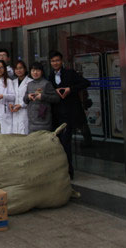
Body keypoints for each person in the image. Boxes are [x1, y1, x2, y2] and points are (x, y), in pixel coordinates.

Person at [48, 50, 90, 179]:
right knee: (57, 143)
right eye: (53, 61)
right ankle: (59, 171)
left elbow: (86, 83)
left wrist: (70, 89)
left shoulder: (70, 73)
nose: (55, 63)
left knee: (66, 142)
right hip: (56, 115)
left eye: (57, 60)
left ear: (62, 61)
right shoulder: (49, 76)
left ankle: (69, 172)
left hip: (69, 113)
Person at [24, 61, 60, 133]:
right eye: (33, 70)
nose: (35, 72)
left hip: (44, 121)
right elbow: (25, 100)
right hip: (32, 121)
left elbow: (56, 98)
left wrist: (43, 97)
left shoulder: (46, 83)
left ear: (42, 72)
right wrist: (28, 97)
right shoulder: (29, 84)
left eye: (37, 70)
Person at [0, 60, 17, 134]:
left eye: (1, 67)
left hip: (5, 111)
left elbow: (13, 96)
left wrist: (2, 96)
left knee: (6, 133)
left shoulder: (8, 81)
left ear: (5, 69)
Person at [10, 61, 31, 134]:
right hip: (15, 111)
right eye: (16, 69)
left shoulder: (30, 82)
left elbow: (31, 98)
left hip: (26, 111)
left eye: (20, 68)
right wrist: (11, 104)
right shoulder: (13, 82)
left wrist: (21, 105)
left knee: (25, 132)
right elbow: (12, 96)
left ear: (25, 69)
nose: (18, 70)